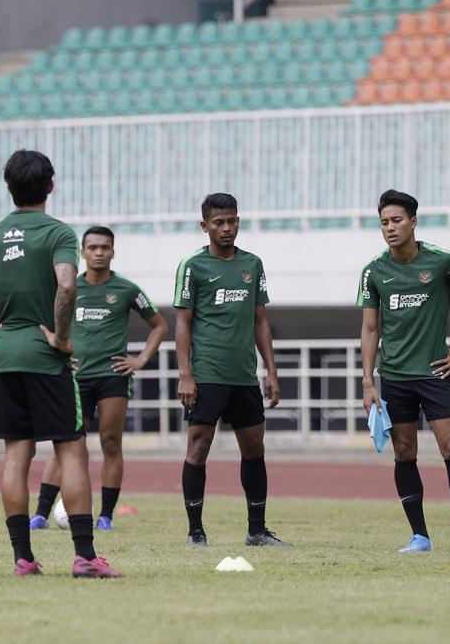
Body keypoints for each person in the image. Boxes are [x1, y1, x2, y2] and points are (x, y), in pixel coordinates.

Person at [0, 150, 122, 578]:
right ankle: (85, 557)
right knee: (72, 453)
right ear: (51, 186)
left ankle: (23, 558)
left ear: (9, 188)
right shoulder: (58, 233)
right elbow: (66, 287)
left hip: (4, 359)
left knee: (15, 458)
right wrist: (60, 337)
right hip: (45, 359)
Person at [358, 190, 450, 554]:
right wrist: (368, 381)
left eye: (397, 220)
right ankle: (419, 537)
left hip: (436, 374)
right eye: (384, 222)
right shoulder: (373, 271)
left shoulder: (441, 261)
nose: (390, 228)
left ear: (413, 221)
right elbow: (370, 329)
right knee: (403, 452)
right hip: (395, 378)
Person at [30, 226, 168, 531]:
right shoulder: (68, 288)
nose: (98, 252)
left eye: (104, 247)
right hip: (75, 377)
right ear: (82, 252)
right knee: (65, 443)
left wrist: (141, 359)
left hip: (112, 377)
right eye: (92, 247)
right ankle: (40, 514)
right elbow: (47, 325)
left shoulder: (127, 289)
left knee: (110, 443)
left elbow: (159, 325)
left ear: (113, 252)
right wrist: (57, 344)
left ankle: (105, 516)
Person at [174, 192, 287, 548]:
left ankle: (257, 530)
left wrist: (271, 370)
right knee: (198, 447)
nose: (227, 228)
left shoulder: (252, 264)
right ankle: (195, 532)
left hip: (243, 376)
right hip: (207, 374)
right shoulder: (193, 266)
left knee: (254, 448)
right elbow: (182, 323)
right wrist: (185, 374)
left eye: (232, 220)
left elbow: (260, 320)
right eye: (219, 222)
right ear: (204, 225)